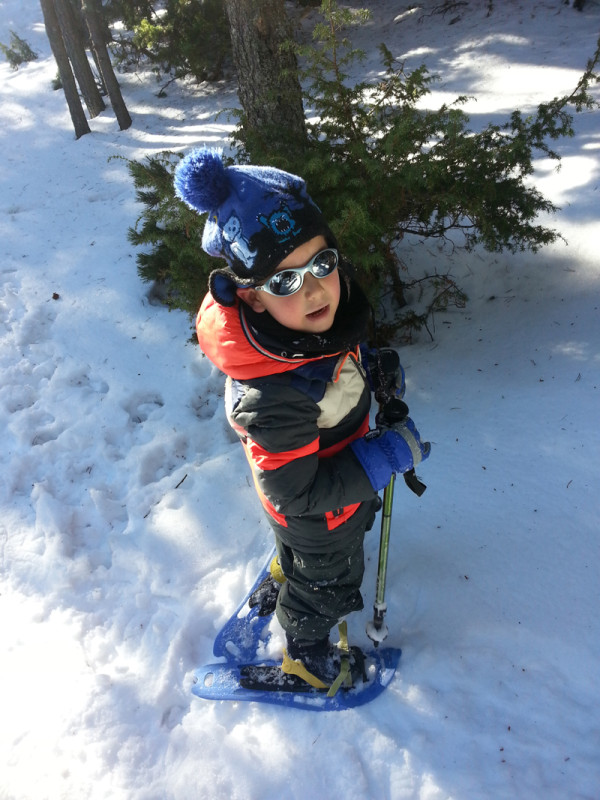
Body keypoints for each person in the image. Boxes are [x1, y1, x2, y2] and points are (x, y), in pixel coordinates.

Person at [174, 148, 430, 690]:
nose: (314, 289)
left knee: (332, 541)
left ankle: (293, 565)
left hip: (334, 494)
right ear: (253, 298)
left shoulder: (306, 333)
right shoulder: (274, 393)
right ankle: (305, 653)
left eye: (322, 264)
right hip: (314, 514)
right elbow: (295, 493)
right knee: (328, 586)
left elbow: (337, 369)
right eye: (285, 281)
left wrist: (372, 371)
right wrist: (383, 456)